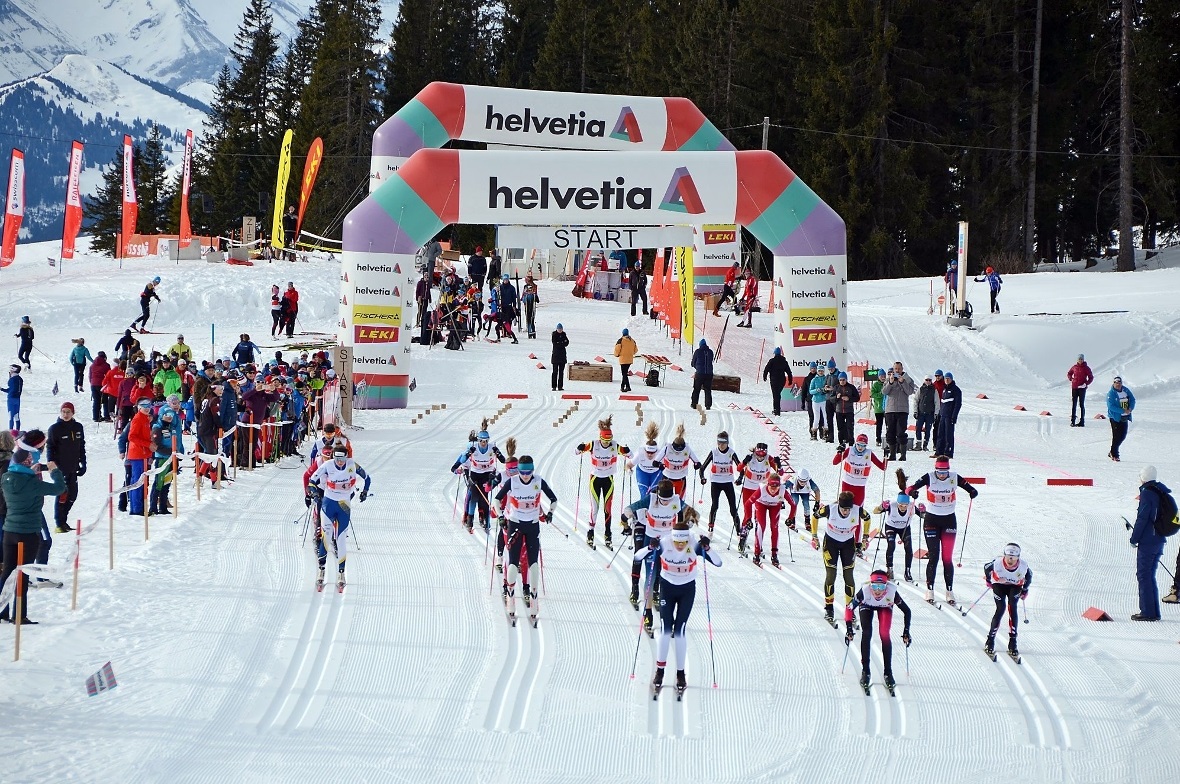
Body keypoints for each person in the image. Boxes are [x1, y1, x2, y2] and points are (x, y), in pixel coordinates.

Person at [634, 518, 721, 698]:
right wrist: (650, 547)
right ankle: (660, 671)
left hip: (687, 590)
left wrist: (707, 548)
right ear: (672, 538)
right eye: (677, 542)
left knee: (680, 631)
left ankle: (680, 673)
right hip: (667, 588)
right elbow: (637, 557)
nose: (680, 546)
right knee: (666, 630)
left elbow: (718, 563)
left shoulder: (694, 543)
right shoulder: (665, 543)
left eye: (683, 542)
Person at [0, 448, 66, 624]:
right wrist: (55, 471)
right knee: (23, 573)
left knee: (7, 571)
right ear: (27, 462)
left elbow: (20, 481)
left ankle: (2, 610)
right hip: (28, 532)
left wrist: (30, 472)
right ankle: (19, 615)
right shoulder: (33, 483)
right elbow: (60, 488)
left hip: (9, 531)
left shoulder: (6, 478)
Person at [494, 454, 558, 626]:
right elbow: (497, 499)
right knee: (513, 562)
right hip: (515, 524)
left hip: (533, 525)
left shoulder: (538, 481)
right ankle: (510, 597)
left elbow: (553, 499)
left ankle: (534, 599)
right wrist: (501, 516)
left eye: (528, 472)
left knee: (533, 564)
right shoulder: (512, 482)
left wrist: (550, 513)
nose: (525, 476)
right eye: (522, 472)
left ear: (532, 470)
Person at [907, 456, 979, 604]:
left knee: (947, 558)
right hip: (931, 520)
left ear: (948, 470)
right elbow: (909, 488)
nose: (942, 475)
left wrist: (973, 492)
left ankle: (949, 591)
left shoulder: (954, 477)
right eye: (939, 472)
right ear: (935, 470)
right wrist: (912, 492)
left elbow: (970, 488)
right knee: (933, 556)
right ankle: (930, 590)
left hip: (949, 521)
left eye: (944, 472)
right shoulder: (929, 477)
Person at [621, 479, 684, 631]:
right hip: (651, 542)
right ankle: (647, 612)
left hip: (668, 544)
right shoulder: (651, 499)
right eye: (663, 500)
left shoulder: (676, 501)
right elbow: (631, 507)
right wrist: (626, 515)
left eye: (667, 500)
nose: (665, 503)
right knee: (651, 575)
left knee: (668, 577)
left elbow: (691, 515)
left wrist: (686, 526)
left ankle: (667, 613)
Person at [306, 446, 371, 589]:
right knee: (326, 537)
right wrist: (314, 493)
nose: (340, 462)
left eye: (342, 459)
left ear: (346, 457)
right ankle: (321, 570)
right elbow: (311, 481)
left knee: (341, 540)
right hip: (328, 504)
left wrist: (365, 492)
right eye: (337, 459)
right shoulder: (327, 465)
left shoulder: (352, 465)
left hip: (344, 506)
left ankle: (341, 573)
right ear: (333, 457)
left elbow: (367, 478)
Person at [810, 490, 871, 624]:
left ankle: (850, 609)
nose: (846, 512)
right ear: (839, 505)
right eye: (843, 509)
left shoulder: (857, 510)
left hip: (848, 544)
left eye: (848, 509)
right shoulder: (830, 509)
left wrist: (865, 537)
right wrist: (814, 536)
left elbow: (867, 518)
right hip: (830, 543)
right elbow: (814, 517)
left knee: (849, 577)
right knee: (831, 576)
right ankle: (829, 608)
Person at [574, 417, 630, 549]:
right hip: (595, 480)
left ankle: (608, 535)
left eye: (608, 441)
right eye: (604, 441)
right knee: (595, 509)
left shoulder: (615, 446)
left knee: (607, 509)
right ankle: (590, 533)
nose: (607, 443)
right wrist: (579, 447)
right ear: (600, 438)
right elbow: (576, 452)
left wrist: (627, 451)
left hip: (608, 480)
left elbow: (630, 455)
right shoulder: (593, 445)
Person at [1130, 466, 1169, 620]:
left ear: (1143, 478)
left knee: (1143, 575)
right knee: (1149, 575)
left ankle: (1147, 612)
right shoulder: (1160, 491)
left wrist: (1134, 538)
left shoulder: (1147, 494)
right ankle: (1154, 612)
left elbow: (1142, 518)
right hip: (1159, 538)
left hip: (1148, 540)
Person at [983, 543, 1032, 658]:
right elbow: (986, 567)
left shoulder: (1023, 566)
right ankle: (990, 640)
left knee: (1012, 608)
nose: (1010, 560)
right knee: (1000, 609)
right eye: (1008, 557)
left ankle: (1013, 642)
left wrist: (1025, 590)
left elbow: (1029, 576)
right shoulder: (997, 563)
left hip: (1015, 587)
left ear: (1018, 557)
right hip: (999, 585)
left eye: (1013, 558)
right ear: (1004, 555)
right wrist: (989, 580)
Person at [871, 479, 923, 582]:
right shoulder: (892, 504)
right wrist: (882, 506)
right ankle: (889, 569)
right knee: (891, 545)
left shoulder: (912, 506)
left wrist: (923, 510)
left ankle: (907, 571)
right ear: (897, 503)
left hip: (904, 528)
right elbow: (875, 511)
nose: (903, 508)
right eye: (901, 505)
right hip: (891, 527)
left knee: (908, 548)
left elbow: (924, 516)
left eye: (905, 506)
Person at [47, 402, 86, 533]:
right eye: (63, 412)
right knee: (62, 495)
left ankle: (64, 520)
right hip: (60, 468)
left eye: (68, 412)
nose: (65, 414)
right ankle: (59, 523)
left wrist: (83, 463)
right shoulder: (55, 428)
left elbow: (81, 446)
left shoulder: (78, 427)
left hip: (73, 467)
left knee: (73, 494)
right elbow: (50, 448)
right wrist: (51, 464)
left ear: (73, 413)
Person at [697, 431, 741, 537]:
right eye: (719, 442)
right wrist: (702, 478)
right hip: (716, 483)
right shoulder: (714, 452)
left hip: (728, 483)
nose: (721, 445)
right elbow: (702, 468)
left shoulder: (731, 453)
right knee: (715, 506)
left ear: (727, 442)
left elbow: (741, 468)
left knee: (733, 509)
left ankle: (739, 532)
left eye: (723, 443)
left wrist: (740, 478)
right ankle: (710, 529)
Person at [737, 443, 779, 548]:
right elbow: (738, 468)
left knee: (758, 517)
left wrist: (779, 464)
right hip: (748, 487)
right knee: (747, 515)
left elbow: (780, 473)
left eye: (762, 455)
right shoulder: (750, 457)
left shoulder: (769, 459)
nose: (760, 457)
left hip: (761, 489)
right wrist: (744, 462)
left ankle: (758, 543)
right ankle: (742, 539)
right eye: (758, 455)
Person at [832, 433, 887, 507]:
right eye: (859, 444)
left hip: (860, 487)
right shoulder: (850, 450)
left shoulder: (869, 453)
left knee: (858, 509)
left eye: (863, 445)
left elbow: (883, 467)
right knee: (845, 507)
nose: (860, 447)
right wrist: (839, 452)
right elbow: (835, 462)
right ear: (856, 443)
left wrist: (886, 456)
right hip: (847, 484)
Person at [751, 471, 791, 567]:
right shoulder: (762, 489)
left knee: (774, 527)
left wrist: (791, 518)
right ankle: (757, 553)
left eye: (776, 488)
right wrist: (748, 517)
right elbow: (748, 503)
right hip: (761, 504)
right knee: (761, 526)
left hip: (775, 506)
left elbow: (793, 505)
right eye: (771, 487)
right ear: (767, 484)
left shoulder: (782, 490)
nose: (773, 490)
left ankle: (774, 554)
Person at [656, 425, 700, 503]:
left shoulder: (687, 449)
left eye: (680, 450)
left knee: (679, 501)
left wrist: (696, 465)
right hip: (667, 479)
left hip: (680, 480)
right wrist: (659, 465)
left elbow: (697, 462)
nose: (678, 452)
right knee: (664, 500)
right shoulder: (667, 448)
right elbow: (655, 462)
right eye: (676, 449)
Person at [882, 361, 916, 461]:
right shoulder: (888, 378)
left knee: (901, 432)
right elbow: (884, 391)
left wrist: (902, 382)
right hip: (890, 410)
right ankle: (892, 454)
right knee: (890, 433)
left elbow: (910, 391)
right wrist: (890, 382)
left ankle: (903, 454)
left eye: (899, 369)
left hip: (902, 410)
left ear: (902, 369)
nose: (897, 371)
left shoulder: (908, 379)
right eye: (895, 369)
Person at [628, 422, 664, 501]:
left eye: (652, 453)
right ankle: (643, 508)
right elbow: (628, 465)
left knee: (654, 495)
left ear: (656, 451)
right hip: (642, 472)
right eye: (648, 452)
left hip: (656, 473)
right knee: (644, 494)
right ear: (645, 450)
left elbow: (668, 465)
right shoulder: (640, 453)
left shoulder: (660, 454)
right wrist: (628, 470)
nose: (650, 455)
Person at [934, 371, 962, 458]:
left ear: (951, 379)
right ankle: (939, 452)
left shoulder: (956, 390)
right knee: (940, 434)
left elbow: (958, 404)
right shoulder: (944, 389)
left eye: (948, 379)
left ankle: (948, 453)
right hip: (942, 415)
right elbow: (942, 402)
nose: (946, 380)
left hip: (949, 416)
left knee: (948, 435)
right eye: (945, 378)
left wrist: (954, 416)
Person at [1106, 375, 1135, 462]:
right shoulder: (1111, 394)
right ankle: (1114, 453)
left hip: (1125, 416)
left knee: (1123, 435)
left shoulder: (1126, 390)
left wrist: (1130, 408)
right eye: (1116, 383)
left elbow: (1132, 399)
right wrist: (1122, 410)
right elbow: (1111, 406)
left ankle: (1112, 451)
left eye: (1119, 383)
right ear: (1113, 384)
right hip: (1115, 417)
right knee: (1116, 436)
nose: (1118, 385)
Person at [830, 371, 860, 448]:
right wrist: (836, 397)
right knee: (840, 428)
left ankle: (851, 443)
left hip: (849, 411)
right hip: (839, 411)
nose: (842, 381)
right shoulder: (836, 387)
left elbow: (857, 398)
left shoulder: (851, 387)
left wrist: (849, 398)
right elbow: (831, 399)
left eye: (843, 380)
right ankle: (841, 443)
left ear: (846, 380)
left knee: (850, 427)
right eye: (840, 380)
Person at [762, 347, 793, 416]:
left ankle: (777, 410)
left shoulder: (772, 361)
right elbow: (789, 371)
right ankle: (777, 409)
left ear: (775, 353)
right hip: (782, 380)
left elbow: (766, 369)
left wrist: (764, 376)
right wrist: (790, 380)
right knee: (777, 394)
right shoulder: (784, 361)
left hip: (774, 380)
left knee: (775, 395)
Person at [1067, 354, 1094, 427]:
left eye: (1081, 359)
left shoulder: (1086, 368)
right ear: (1077, 360)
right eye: (1079, 359)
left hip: (1082, 388)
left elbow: (1091, 377)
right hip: (1074, 387)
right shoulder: (1074, 367)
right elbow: (1069, 373)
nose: (1080, 360)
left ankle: (1082, 421)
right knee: (1074, 404)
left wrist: (1086, 384)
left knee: (1081, 404)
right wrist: (1071, 378)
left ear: (1083, 360)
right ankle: (1072, 421)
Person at [913, 374, 936, 451]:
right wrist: (915, 411)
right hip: (921, 413)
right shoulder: (921, 389)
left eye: (929, 380)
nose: (928, 382)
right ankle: (918, 444)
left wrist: (936, 413)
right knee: (918, 428)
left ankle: (925, 445)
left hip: (929, 413)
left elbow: (937, 402)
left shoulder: (934, 390)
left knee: (928, 429)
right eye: (927, 380)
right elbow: (916, 400)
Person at [690, 339, 714, 410]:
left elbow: (693, 363)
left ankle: (694, 404)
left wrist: (697, 367)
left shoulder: (697, 351)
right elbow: (711, 361)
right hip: (709, 374)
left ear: (700, 345)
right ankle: (708, 405)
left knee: (696, 389)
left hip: (700, 374)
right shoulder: (710, 352)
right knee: (708, 390)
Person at [808, 366, 830, 441]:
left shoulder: (826, 379)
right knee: (816, 417)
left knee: (825, 416)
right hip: (816, 400)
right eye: (819, 371)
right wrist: (816, 390)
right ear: (817, 371)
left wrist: (825, 390)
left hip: (824, 400)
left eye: (822, 371)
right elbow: (810, 391)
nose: (821, 372)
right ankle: (814, 434)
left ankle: (825, 433)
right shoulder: (814, 379)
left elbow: (828, 388)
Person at [496, 273, 519, 344]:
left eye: (506, 280)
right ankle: (504, 332)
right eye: (504, 280)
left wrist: (514, 305)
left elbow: (514, 297)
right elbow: (498, 296)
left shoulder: (511, 288)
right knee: (502, 319)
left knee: (508, 319)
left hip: (509, 305)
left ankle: (509, 332)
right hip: (502, 306)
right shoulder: (500, 287)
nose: (505, 281)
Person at [614, 328, 637, 393]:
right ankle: (622, 387)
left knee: (624, 374)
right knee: (624, 373)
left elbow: (617, 349)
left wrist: (616, 355)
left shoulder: (620, 340)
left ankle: (628, 387)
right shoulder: (632, 341)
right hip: (629, 359)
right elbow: (635, 350)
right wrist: (630, 353)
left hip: (623, 359)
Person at [4, 364, 23, 431]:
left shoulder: (12, 379)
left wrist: (2, 389)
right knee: (17, 416)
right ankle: (17, 430)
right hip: (17, 399)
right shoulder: (20, 379)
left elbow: (10, 390)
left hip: (11, 399)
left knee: (11, 416)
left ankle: (10, 431)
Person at [550, 323, 569, 391]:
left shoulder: (564, 334)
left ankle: (560, 386)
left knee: (561, 372)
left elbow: (567, 342)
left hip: (562, 356)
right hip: (555, 356)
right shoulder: (554, 335)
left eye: (561, 329)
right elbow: (555, 344)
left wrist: (561, 343)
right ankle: (554, 386)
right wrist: (562, 343)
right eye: (559, 329)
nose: (560, 330)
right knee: (555, 372)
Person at [521, 273, 540, 339]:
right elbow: (523, 295)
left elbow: (535, 295)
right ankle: (530, 331)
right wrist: (523, 299)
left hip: (532, 304)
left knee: (531, 318)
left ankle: (532, 331)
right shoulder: (525, 287)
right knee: (528, 318)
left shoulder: (534, 286)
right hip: (527, 304)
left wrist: (534, 297)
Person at [869, 369, 885, 445]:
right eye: (881, 376)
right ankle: (878, 439)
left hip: (887, 408)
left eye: (884, 376)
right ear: (878, 377)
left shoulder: (888, 383)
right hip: (879, 408)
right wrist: (880, 394)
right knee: (879, 424)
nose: (883, 377)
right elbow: (872, 394)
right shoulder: (875, 385)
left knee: (889, 425)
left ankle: (888, 439)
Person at [801, 361, 818, 434]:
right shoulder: (807, 379)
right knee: (811, 416)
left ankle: (821, 431)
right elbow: (804, 391)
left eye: (814, 368)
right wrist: (803, 402)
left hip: (818, 400)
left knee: (819, 416)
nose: (813, 370)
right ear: (810, 369)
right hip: (810, 399)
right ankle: (812, 431)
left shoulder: (819, 377)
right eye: (812, 368)